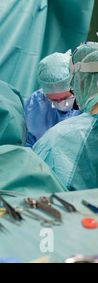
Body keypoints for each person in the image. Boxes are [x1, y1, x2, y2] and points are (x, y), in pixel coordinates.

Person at [33, 42, 98, 191]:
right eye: (54, 100)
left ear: (78, 84)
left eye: (66, 97)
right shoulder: (34, 105)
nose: (62, 104)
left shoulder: (56, 140)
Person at [24, 52, 80, 147]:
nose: (60, 103)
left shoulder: (88, 103)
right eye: (53, 100)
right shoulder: (35, 102)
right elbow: (26, 142)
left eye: (65, 98)